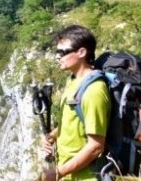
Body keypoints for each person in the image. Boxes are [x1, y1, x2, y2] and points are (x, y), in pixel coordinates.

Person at [42, 25, 110, 181]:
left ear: (81, 52)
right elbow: (74, 122)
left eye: (62, 52)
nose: (57, 57)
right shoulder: (73, 82)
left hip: (87, 177)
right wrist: (53, 136)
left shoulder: (94, 91)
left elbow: (95, 147)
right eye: (56, 52)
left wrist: (58, 173)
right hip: (70, 174)